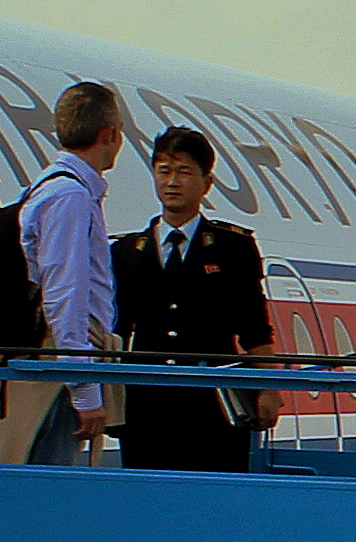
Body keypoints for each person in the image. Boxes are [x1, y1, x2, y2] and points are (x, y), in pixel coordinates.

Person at [112, 126, 278, 473]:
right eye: (164, 171)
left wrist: (268, 389)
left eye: (184, 172)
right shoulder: (127, 251)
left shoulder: (233, 247)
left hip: (212, 405)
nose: (172, 182)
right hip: (146, 405)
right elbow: (118, 329)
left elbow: (254, 330)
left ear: (206, 183)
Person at [0, 82, 128, 464]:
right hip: (62, 368)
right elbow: (65, 297)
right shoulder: (70, 198)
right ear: (109, 134)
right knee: (45, 485)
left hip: (59, 361)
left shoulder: (51, 188)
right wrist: (84, 392)